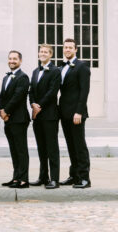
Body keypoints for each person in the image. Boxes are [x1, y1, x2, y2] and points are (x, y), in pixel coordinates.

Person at [58, 37, 91, 188]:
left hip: (76, 114)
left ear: (76, 49)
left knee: (79, 145)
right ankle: (74, 175)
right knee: (70, 146)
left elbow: (84, 91)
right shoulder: (61, 67)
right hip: (64, 113)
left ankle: (84, 178)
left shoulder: (82, 66)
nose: (67, 50)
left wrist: (79, 112)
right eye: (65, 47)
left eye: (70, 47)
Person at [28, 43, 60, 188]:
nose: (43, 53)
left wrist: (39, 105)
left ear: (51, 54)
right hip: (37, 115)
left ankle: (54, 178)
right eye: (41, 51)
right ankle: (43, 177)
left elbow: (52, 92)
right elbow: (31, 91)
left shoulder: (55, 71)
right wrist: (33, 104)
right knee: (41, 148)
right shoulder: (35, 71)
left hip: (50, 115)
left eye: (46, 52)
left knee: (51, 148)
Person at [0, 49, 30, 188]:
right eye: (10, 58)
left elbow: (18, 97)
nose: (12, 61)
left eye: (14, 59)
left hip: (19, 118)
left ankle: (24, 179)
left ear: (20, 61)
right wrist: (1, 111)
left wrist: (6, 111)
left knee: (21, 149)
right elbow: (1, 96)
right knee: (13, 149)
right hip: (8, 118)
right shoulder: (6, 77)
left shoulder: (23, 77)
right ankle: (16, 178)